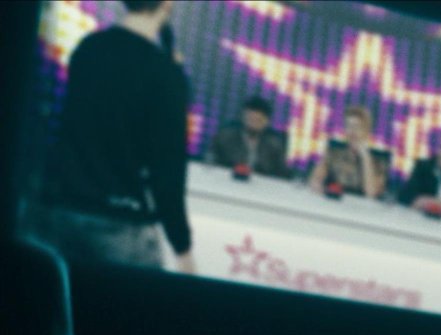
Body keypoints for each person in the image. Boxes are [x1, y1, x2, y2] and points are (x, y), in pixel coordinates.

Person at [33, 0, 193, 274]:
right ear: (167, 4)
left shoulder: (89, 48)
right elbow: (167, 170)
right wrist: (182, 247)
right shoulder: (165, 74)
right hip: (120, 222)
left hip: (61, 211)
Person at [307, 104, 389, 199]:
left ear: (366, 131)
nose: (352, 131)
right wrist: (317, 185)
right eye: (348, 126)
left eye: (357, 127)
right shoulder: (334, 151)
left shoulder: (379, 160)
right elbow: (315, 179)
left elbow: (371, 193)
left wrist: (365, 158)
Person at [207, 95, 290, 178]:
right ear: (244, 117)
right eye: (251, 119)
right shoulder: (226, 137)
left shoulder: (274, 145)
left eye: (259, 121)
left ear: (266, 122)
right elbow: (211, 160)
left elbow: (281, 173)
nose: (254, 124)